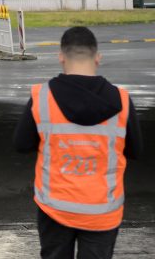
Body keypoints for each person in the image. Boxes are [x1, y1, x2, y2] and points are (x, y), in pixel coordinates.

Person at [14, 26, 142, 259]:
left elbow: (21, 144)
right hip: (102, 210)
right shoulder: (122, 100)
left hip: (55, 208)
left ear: (61, 56)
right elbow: (136, 150)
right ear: (98, 58)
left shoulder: (42, 97)